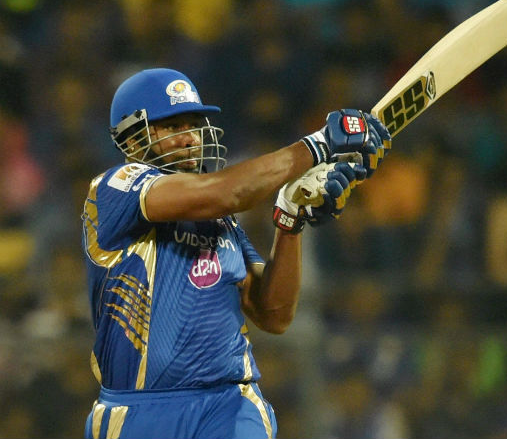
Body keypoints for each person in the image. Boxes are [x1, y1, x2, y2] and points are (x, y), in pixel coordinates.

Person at [81, 67, 390, 439]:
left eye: (194, 125)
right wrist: (317, 146)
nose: (190, 138)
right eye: (173, 126)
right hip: (136, 412)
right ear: (132, 139)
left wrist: (290, 220)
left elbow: (274, 314)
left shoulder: (220, 219)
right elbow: (226, 192)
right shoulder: (114, 189)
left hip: (229, 404)